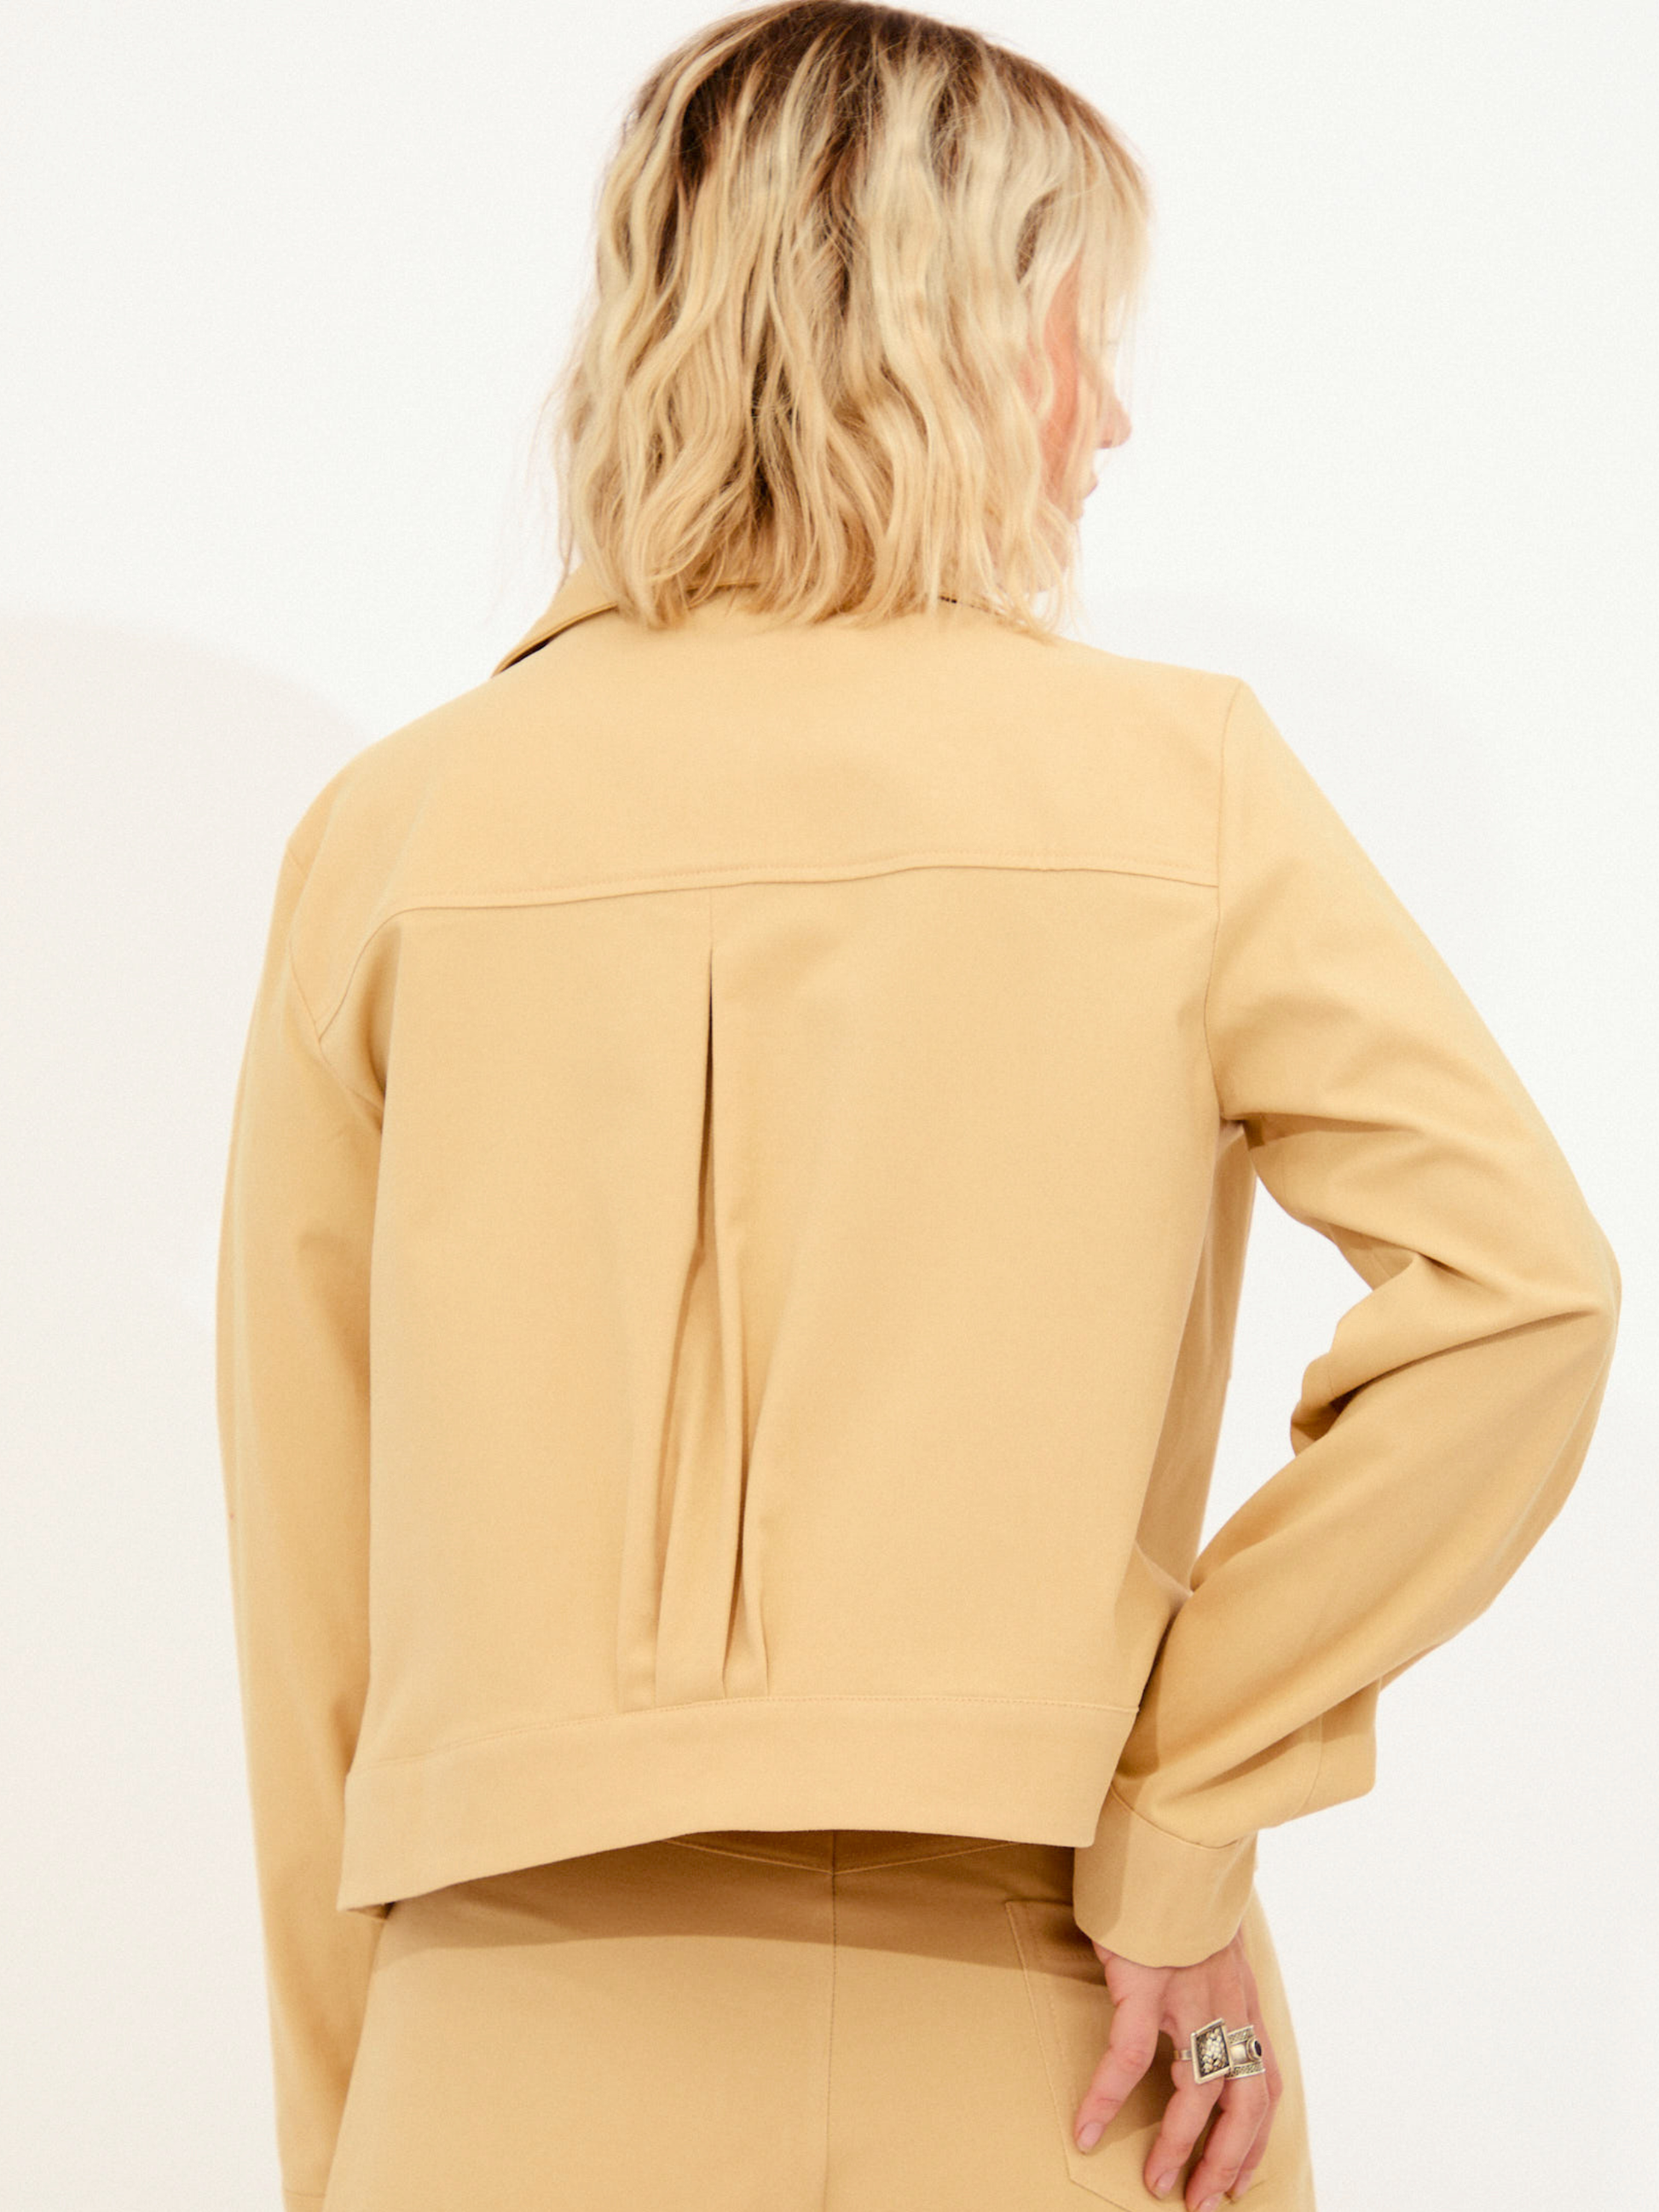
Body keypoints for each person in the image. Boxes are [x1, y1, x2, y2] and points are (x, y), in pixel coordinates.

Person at [213, 7, 1621, 2209]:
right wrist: (1183, 1817)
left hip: (507, 2032)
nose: (1112, 415)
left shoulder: (394, 834)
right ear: (952, 333)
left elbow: (315, 1589)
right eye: (1082, 331)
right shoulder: (1186, 788)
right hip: (1069, 2019)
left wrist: (358, 2138)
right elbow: (1526, 1297)